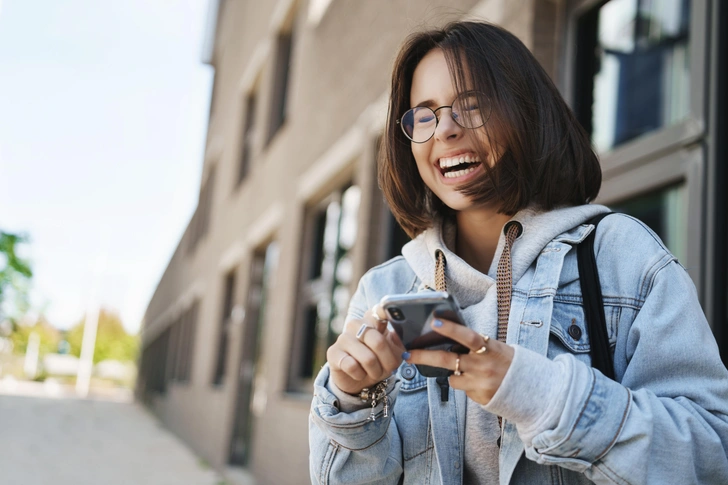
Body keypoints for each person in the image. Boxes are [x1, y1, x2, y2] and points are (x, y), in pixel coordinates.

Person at [308, 21, 728, 484]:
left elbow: (712, 454)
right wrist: (350, 400)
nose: (445, 129)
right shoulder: (385, 288)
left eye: (472, 106)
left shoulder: (621, 257)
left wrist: (538, 394)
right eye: (423, 116)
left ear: (526, 112)